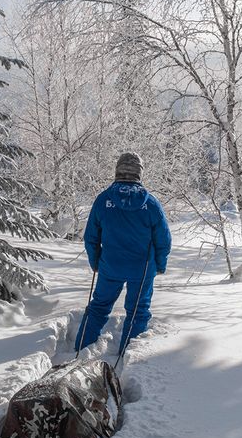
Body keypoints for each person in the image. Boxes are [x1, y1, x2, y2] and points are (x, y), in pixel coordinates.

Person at [74, 152, 172, 355]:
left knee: (98, 308)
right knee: (137, 312)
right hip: (142, 269)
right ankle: (127, 357)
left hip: (111, 266)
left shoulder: (103, 200)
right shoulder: (151, 204)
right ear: (139, 174)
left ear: (117, 171)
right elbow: (163, 239)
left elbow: (91, 237)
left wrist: (96, 262)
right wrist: (160, 264)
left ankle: (80, 349)